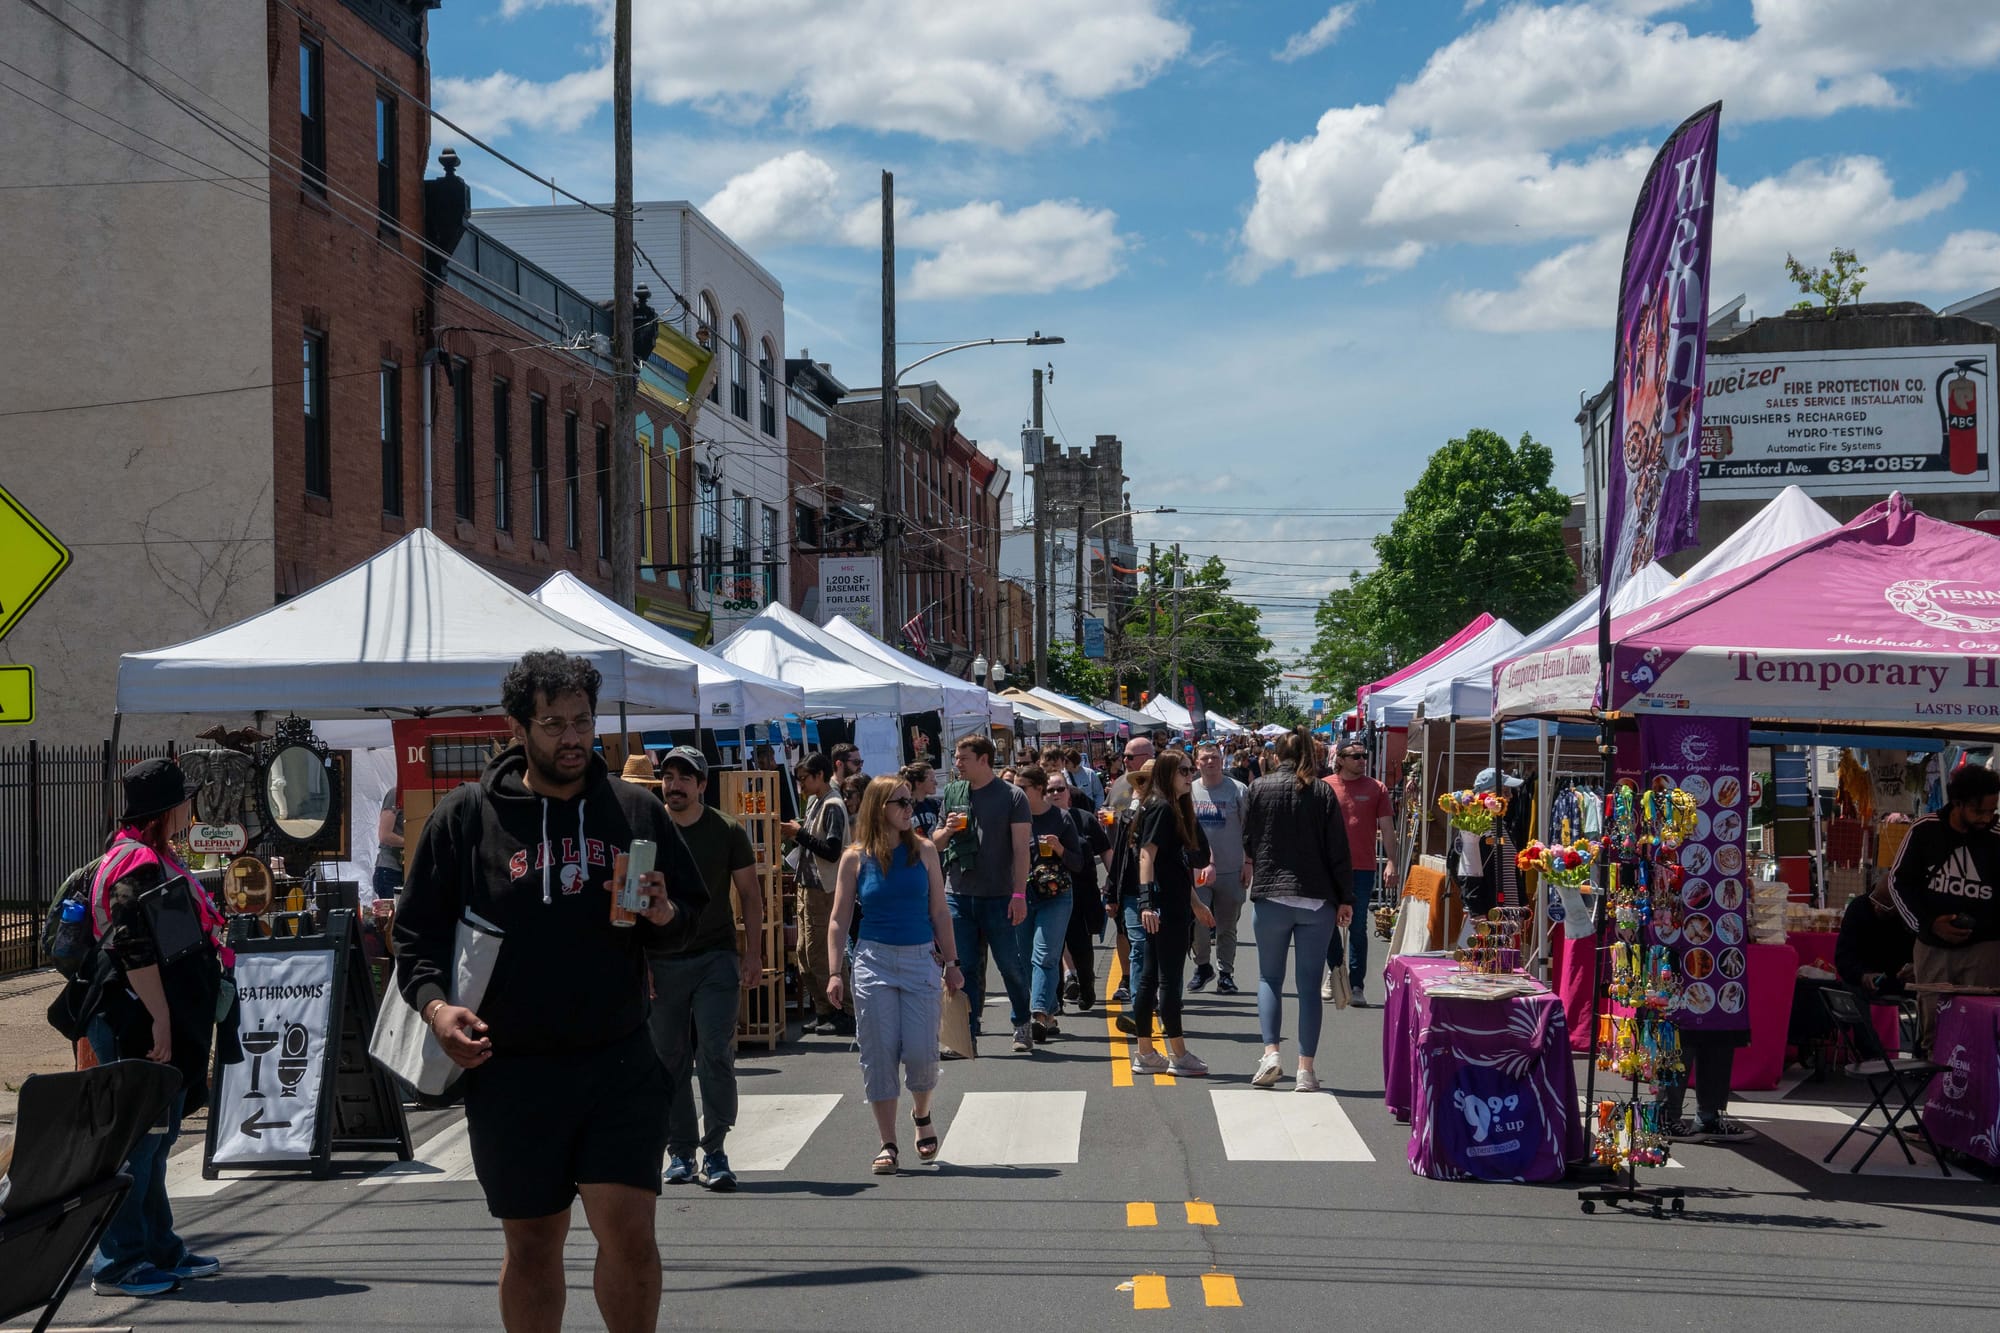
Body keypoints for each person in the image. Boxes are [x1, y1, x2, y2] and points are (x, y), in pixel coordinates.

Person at [396, 650, 706, 1333]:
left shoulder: (634, 809)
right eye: (555, 723)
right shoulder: (465, 819)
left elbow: (688, 920)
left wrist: (662, 914)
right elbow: (413, 938)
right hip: (510, 1070)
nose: (573, 737)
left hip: (618, 1059)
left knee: (629, 1232)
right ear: (518, 727)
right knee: (533, 1244)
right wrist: (438, 1007)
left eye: (583, 720)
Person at [81, 757, 231, 1297]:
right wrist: (163, 1018)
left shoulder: (148, 854)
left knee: (157, 1140)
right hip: (135, 1018)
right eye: (184, 801)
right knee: (137, 1143)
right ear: (165, 811)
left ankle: (159, 1248)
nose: (190, 808)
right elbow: (131, 940)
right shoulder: (138, 862)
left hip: (144, 1013)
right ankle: (119, 1264)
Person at [827, 776, 962, 1173]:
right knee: (879, 1054)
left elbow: (939, 910)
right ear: (878, 807)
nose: (909, 808)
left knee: (921, 1053)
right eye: (900, 802)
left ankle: (921, 1114)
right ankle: (887, 1143)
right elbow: (839, 919)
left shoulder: (923, 851)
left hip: (921, 958)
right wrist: (835, 972)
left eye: (909, 801)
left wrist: (953, 964)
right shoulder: (855, 857)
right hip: (873, 961)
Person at [647, 746, 762, 1193]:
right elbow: (632, 901)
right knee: (669, 1058)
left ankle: (715, 1150)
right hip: (662, 959)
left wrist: (752, 954)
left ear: (701, 785)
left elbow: (750, 894)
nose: (673, 784)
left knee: (714, 1053)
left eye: (684, 777)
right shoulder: (647, 830)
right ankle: (680, 1151)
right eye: (668, 776)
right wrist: (640, 962)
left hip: (716, 955)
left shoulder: (726, 830)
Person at [1243, 729, 1352, 1092]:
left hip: (1272, 893)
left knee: (1269, 979)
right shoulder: (1322, 791)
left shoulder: (1259, 788)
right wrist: (1346, 897)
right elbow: (1338, 849)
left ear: (1276, 756)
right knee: (1308, 987)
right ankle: (1306, 1069)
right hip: (1316, 898)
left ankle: (1271, 1053)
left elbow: (1249, 838)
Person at [934, 732, 1035, 1054]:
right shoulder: (952, 793)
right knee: (963, 968)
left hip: (1000, 896)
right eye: (957, 758)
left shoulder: (1012, 796)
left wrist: (1019, 895)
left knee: (1010, 966)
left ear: (983, 760)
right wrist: (948, 829)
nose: (957, 764)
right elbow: (933, 844)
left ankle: (1021, 1022)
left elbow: (1021, 850)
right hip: (958, 894)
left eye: (963, 758)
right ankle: (968, 1034)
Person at [1116, 751, 1214, 1075]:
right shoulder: (1160, 806)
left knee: (1150, 978)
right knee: (1166, 981)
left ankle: (1146, 1053)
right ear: (1168, 773)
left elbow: (1179, 865)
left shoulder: (1172, 807)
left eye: (1191, 769)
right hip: (1161, 907)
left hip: (1170, 904)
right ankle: (1178, 1053)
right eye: (1184, 770)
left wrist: (1196, 905)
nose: (1190, 775)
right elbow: (1147, 856)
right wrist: (1146, 903)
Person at [1889, 763, 2000, 1046]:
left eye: (1992, 811)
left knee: (1980, 1027)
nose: (1986, 819)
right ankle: (1935, 1086)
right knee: (1934, 1028)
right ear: (1957, 803)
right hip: (1932, 947)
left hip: (1984, 948)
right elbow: (1898, 883)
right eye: (1979, 811)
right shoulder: (1925, 830)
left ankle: (1975, 1087)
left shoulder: (1997, 836)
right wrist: (1927, 925)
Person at [1323, 740, 1397, 1007]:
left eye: (1364, 755)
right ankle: (1335, 972)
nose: (1362, 760)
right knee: (1327, 924)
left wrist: (1391, 862)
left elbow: (1388, 828)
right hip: (1329, 868)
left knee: (1357, 927)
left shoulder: (1377, 788)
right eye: (1355, 756)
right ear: (1340, 759)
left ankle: (1356, 985)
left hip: (1363, 867)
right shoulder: (1325, 785)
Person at [784, 753, 850, 1037]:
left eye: (804, 779)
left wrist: (799, 834)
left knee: (821, 953)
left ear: (820, 775)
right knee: (804, 953)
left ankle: (844, 1010)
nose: (801, 786)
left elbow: (832, 852)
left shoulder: (833, 805)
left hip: (824, 888)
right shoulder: (816, 802)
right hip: (807, 886)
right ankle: (824, 1009)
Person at [1016, 766, 1082, 1041]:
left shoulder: (1062, 818)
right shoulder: (1013, 817)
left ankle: (1038, 1013)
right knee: (1026, 957)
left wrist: (1060, 849)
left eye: (1022, 788)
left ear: (1039, 789)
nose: (1016, 793)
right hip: (1022, 893)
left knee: (1044, 954)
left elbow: (1078, 863)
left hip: (1055, 895)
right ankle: (1052, 1013)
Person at [1189, 742, 1251, 995]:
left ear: (1223, 760)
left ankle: (1226, 973)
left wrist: (1248, 863)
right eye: (1205, 759)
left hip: (1231, 869)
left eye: (1214, 757)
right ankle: (1203, 966)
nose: (1210, 762)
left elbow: (1250, 830)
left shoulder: (1238, 790)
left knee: (1227, 926)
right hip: (1198, 871)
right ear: (1197, 763)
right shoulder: (1189, 791)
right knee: (1198, 924)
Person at [1048, 769, 1109, 1012]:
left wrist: (1113, 883)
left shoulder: (1084, 818)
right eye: (1049, 790)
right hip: (1049, 894)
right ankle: (1055, 1000)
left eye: (1059, 788)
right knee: (1052, 947)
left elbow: (1106, 852)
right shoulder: (1037, 820)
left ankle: (1087, 986)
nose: (1055, 793)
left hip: (1082, 892)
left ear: (1068, 792)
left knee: (1081, 945)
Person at [1836, 878, 1916, 999]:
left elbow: (1930, 954)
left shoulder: (1914, 916)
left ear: (1901, 904)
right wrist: (1862, 975)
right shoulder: (1859, 907)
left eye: (1884, 905)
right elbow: (1844, 957)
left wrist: (1917, 968)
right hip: (1864, 987)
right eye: (1874, 901)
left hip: (1904, 988)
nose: (1877, 908)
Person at [375, 785, 406, 901]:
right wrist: (412, 843)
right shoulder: (396, 794)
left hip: (404, 870)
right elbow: (384, 836)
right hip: (390, 872)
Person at [902, 762, 941, 836]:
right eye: (932, 779)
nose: (936, 783)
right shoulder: (905, 808)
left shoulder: (935, 805)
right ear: (918, 784)